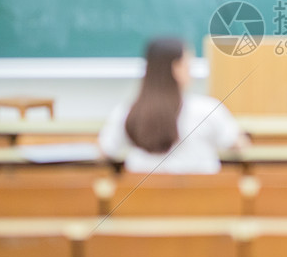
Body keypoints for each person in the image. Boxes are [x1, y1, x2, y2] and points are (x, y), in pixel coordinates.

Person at [98, 37, 244, 173]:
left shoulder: (128, 112)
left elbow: (105, 151)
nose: (191, 69)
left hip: (143, 198)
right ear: (177, 68)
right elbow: (239, 145)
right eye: (188, 62)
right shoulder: (208, 110)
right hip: (200, 198)